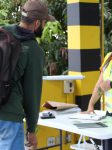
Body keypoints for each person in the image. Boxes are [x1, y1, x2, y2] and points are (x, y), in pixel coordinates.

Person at [0, 0, 55, 150]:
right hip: (9, 117)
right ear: (37, 23)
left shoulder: (3, 33)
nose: (44, 26)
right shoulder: (33, 50)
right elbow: (32, 94)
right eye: (44, 23)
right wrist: (32, 130)